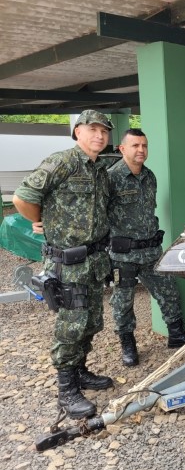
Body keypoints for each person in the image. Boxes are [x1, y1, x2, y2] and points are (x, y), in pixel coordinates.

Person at [13, 110, 115, 419]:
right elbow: (22, 196)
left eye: (104, 131)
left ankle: (81, 371)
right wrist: (38, 220)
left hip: (94, 260)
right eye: (93, 129)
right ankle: (66, 391)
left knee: (91, 321)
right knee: (70, 326)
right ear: (78, 132)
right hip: (68, 262)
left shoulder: (100, 169)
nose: (99, 135)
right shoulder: (62, 161)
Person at [107, 129, 185, 367]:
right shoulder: (110, 178)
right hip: (123, 255)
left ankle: (176, 334)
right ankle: (128, 345)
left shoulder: (149, 176)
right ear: (122, 149)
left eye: (144, 145)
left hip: (150, 250)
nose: (141, 150)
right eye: (135, 145)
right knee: (123, 302)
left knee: (168, 291)